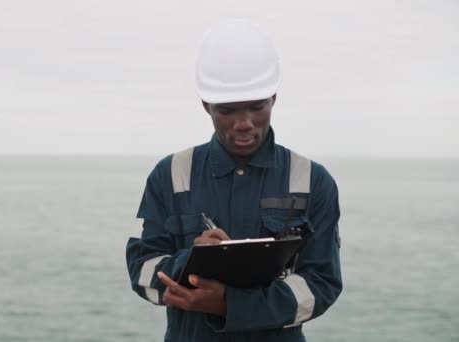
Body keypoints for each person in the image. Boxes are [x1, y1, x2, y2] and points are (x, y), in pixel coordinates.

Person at [125, 19, 342, 341]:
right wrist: (190, 262)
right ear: (206, 105)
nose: (244, 123)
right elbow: (142, 273)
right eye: (227, 110)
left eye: (257, 107)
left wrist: (230, 305)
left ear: (273, 99)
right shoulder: (169, 174)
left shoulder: (313, 180)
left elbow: (321, 285)